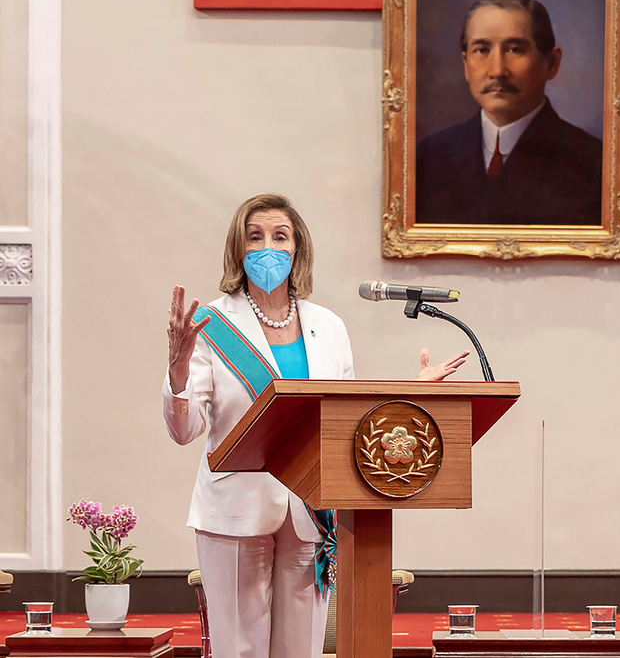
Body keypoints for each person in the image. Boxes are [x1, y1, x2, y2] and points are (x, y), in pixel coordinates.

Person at [163, 193, 468, 658]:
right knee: (239, 648)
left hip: (310, 508)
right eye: (255, 237)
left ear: (297, 249)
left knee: (301, 648)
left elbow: (347, 419)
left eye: (280, 237)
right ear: (238, 249)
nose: (268, 248)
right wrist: (177, 372)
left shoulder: (328, 326)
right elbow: (184, 432)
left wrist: (411, 393)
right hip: (235, 507)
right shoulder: (210, 324)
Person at [416, 0, 603, 226]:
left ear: (552, 63)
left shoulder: (594, 163)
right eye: (482, 50)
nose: (497, 71)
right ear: (466, 64)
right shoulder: (429, 157)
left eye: (514, 49)